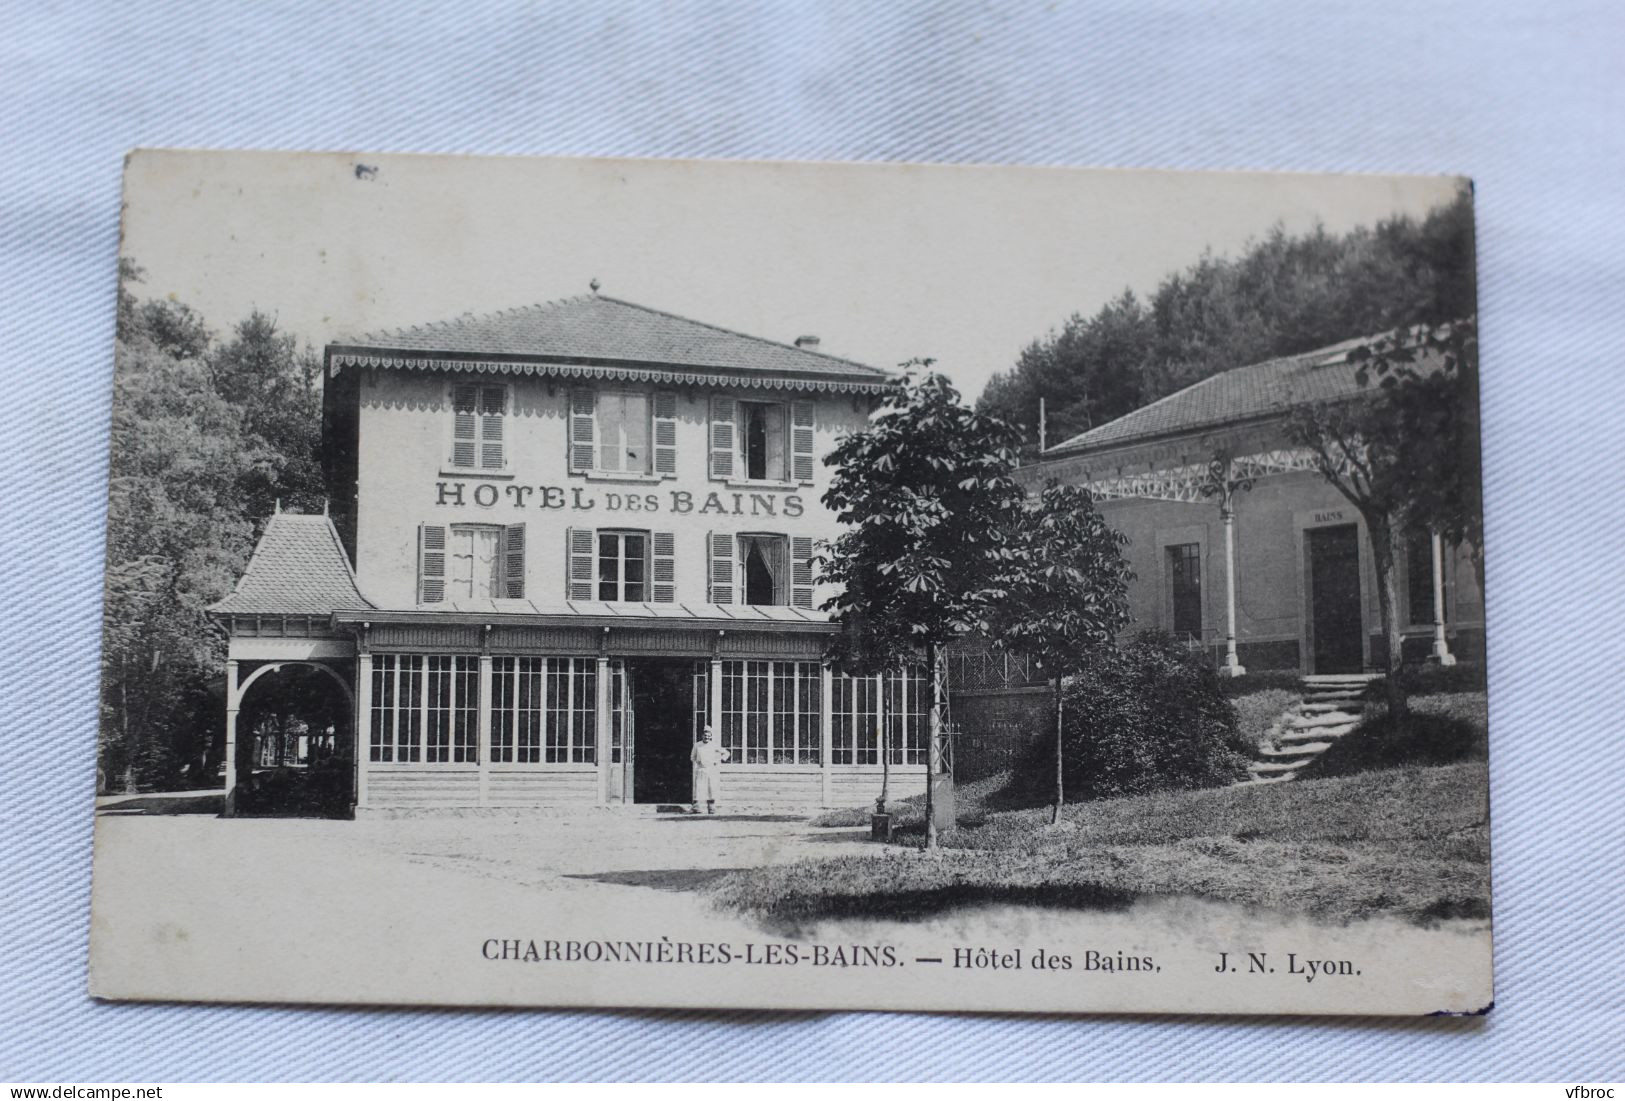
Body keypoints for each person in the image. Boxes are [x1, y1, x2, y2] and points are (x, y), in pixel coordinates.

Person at [690, 725, 730, 814]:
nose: (706, 737)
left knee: (711, 788)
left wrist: (718, 761)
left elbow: (726, 753)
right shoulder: (697, 745)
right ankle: (697, 808)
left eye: (708, 736)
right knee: (700, 788)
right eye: (705, 735)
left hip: (711, 770)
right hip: (701, 769)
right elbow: (692, 757)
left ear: (711, 736)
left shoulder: (714, 745)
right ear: (702, 736)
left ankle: (711, 807)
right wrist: (698, 761)